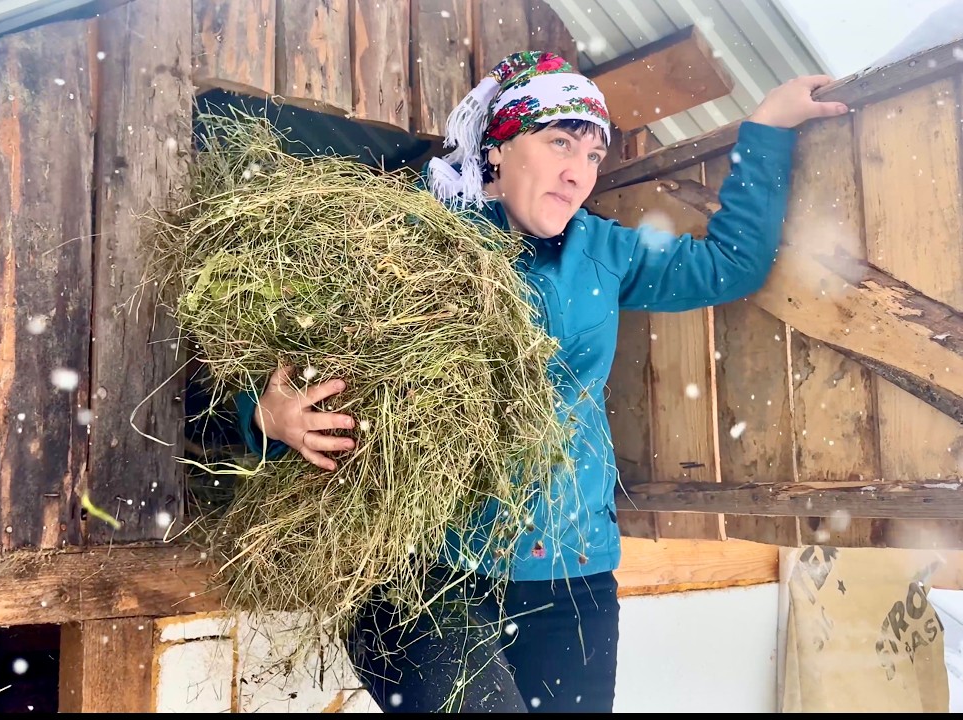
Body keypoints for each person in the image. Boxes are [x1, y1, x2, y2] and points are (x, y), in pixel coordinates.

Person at [233, 50, 847, 712]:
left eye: (592, 156)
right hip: (420, 576)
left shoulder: (604, 252)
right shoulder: (406, 239)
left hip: (570, 578)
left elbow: (731, 266)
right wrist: (263, 418)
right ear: (498, 148)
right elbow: (276, 344)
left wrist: (766, 128)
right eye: (560, 143)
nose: (578, 173)